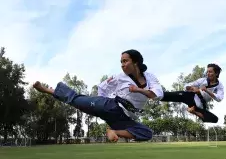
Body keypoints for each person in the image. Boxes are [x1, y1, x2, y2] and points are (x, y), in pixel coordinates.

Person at [33, 49, 163, 142]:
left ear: (135, 63)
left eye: (125, 61)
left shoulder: (150, 78)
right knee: (76, 100)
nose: (122, 65)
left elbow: (156, 94)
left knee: (147, 133)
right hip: (110, 106)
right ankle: (48, 90)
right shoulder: (119, 77)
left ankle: (114, 131)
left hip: (124, 118)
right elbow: (102, 86)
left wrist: (137, 90)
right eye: (121, 62)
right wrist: (102, 101)